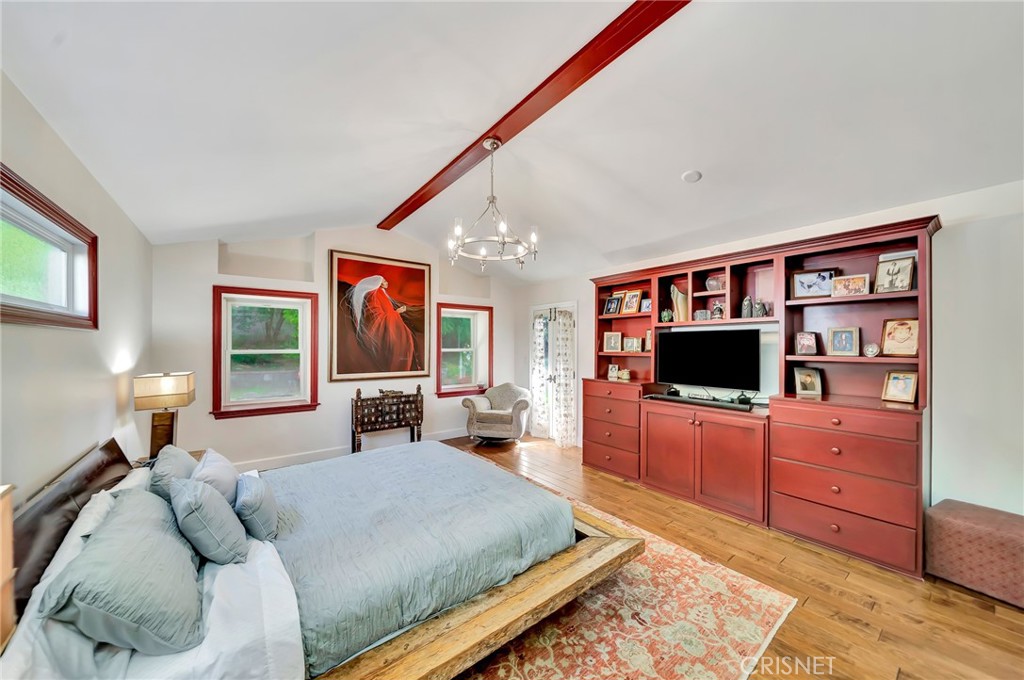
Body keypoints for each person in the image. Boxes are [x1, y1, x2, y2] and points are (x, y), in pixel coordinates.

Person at [349, 275, 416, 372]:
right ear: (378, 283)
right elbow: (376, 317)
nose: (386, 282)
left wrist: (395, 313)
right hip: (384, 333)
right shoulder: (375, 294)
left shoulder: (379, 293)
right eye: (384, 280)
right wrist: (397, 312)